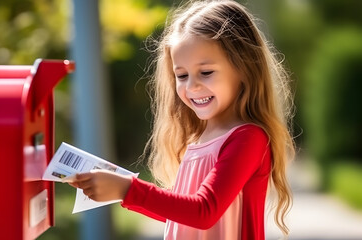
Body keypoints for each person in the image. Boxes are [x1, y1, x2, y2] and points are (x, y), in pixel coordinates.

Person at [68, 0, 295, 239]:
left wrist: (128, 189)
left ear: (244, 68)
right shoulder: (199, 138)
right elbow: (183, 215)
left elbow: (203, 211)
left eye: (206, 72)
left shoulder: (248, 138)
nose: (192, 86)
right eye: (182, 75)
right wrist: (121, 190)